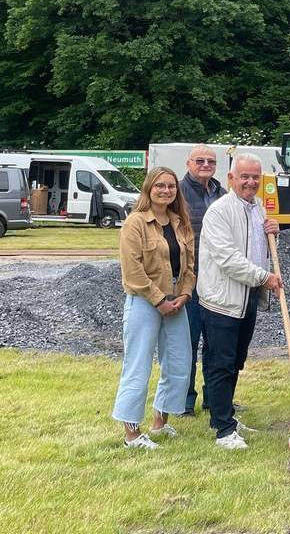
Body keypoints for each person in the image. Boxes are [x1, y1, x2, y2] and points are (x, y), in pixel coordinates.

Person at [197, 153, 282, 450]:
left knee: (236, 360)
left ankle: (225, 413)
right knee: (220, 362)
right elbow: (228, 260)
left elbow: (260, 250)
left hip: (247, 298)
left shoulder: (257, 208)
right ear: (232, 178)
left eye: (255, 177)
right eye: (244, 177)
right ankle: (223, 429)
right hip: (222, 300)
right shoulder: (219, 211)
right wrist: (265, 278)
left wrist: (274, 234)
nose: (250, 182)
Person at [112, 166, 196, 449]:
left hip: (177, 301)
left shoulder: (180, 223)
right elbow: (132, 270)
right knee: (138, 365)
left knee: (179, 364)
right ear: (149, 188)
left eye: (171, 186)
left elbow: (190, 266)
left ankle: (161, 423)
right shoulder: (135, 223)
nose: (166, 191)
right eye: (160, 185)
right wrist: (159, 300)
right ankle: (132, 434)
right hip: (145, 302)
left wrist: (184, 295)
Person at [179, 144, 226, 415]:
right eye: (200, 160)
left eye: (210, 161)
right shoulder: (179, 193)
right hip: (189, 279)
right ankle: (185, 401)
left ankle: (214, 398)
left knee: (215, 342)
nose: (205, 165)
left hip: (216, 278)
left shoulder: (220, 193)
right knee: (187, 341)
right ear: (189, 163)